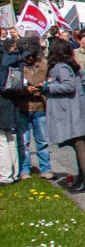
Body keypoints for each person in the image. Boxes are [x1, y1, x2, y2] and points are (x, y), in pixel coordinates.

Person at [43, 40, 85, 192]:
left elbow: (69, 85)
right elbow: (84, 81)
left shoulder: (60, 66)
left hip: (71, 112)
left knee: (79, 145)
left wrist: (49, 86)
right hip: (78, 109)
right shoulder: (73, 66)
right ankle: (82, 179)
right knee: (80, 145)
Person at [12, 36, 50, 180]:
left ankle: (45, 168)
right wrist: (25, 88)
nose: (29, 58)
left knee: (43, 141)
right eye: (26, 56)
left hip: (40, 106)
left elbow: (50, 79)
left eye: (32, 55)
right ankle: (24, 169)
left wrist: (43, 85)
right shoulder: (17, 65)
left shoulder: (43, 63)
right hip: (23, 106)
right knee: (24, 142)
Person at [0, 40, 22, 184]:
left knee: (2, 140)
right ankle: (14, 173)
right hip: (12, 99)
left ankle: (5, 175)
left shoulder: (4, 57)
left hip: (2, 100)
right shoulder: (15, 57)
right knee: (11, 138)